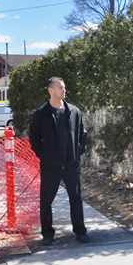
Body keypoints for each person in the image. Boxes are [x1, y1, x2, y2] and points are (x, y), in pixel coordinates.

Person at [29, 77, 89, 244]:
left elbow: (82, 134)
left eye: (64, 88)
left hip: (72, 165)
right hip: (51, 166)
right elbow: (34, 137)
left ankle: (80, 232)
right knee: (46, 201)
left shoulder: (74, 111)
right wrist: (44, 155)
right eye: (60, 88)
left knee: (76, 198)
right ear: (51, 90)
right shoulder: (41, 114)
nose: (64, 91)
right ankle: (47, 234)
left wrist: (78, 151)